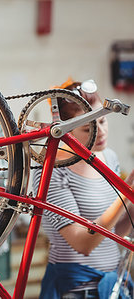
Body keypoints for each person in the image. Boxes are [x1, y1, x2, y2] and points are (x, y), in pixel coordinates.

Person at [34, 78, 134, 299]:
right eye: (88, 127)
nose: (100, 132)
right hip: (77, 291)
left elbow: (116, 231)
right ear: (65, 131)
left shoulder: (108, 158)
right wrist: (127, 192)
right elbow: (83, 243)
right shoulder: (52, 170)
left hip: (114, 286)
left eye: (103, 121)